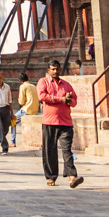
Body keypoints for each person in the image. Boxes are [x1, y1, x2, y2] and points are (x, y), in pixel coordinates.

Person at [36, 60, 81, 188]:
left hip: (65, 122)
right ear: (48, 70)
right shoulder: (43, 82)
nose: (55, 71)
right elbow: (42, 96)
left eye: (57, 69)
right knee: (50, 150)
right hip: (49, 121)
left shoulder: (66, 85)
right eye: (53, 69)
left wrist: (68, 101)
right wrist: (60, 99)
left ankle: (72, 176)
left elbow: (74, 101)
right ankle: (51, 177)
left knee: (67, 149)